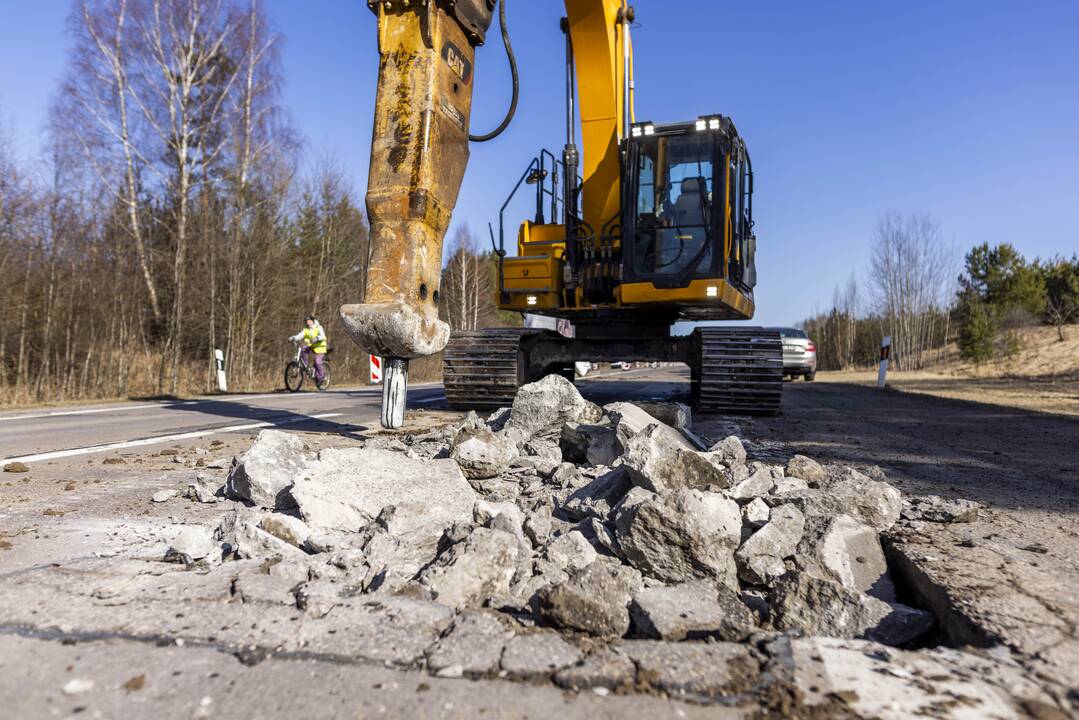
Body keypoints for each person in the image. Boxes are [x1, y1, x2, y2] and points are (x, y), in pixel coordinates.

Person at [289, 315, 328, 383]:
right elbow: (300, 335)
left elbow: (323, 336)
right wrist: (294, 338)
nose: (308, 322)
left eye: (309, 321)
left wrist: (317, 338)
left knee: (317, 361)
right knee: (303, 350)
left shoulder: (319, 327)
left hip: (320, 347)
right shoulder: (306, 329)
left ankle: (321, 377)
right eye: (307, 321)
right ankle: (306, 366)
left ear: (313, 321)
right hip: (311, 346)